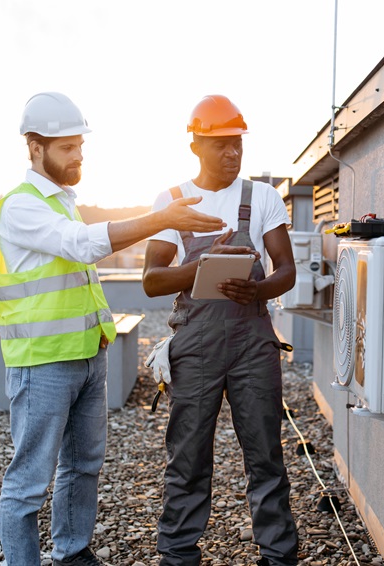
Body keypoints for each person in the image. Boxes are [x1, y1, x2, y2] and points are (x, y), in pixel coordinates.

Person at [0, 91, 225, 566]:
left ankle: (72, 553)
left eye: (80, 145)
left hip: (87, 358)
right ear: (35, 148)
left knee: (83, 466)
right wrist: (161, 219)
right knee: (28, 483)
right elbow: (81, 246)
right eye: (67, 147)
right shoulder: (20, 208)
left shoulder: (63, 202)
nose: (78, 155)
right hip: (43, 364)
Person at [142, 94, 299, 566]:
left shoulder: (262, 197)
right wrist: (204, 266)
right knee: (188, 454)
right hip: (195, 342)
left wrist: (259, 292)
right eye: (221, 146)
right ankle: (178, 554)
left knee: (265, 452)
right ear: (196, 146)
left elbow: (286, 270)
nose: (232, 154)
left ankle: (277, 556)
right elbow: (151, 279)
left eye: (238, 145)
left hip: (253, 339)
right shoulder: (172, 203)